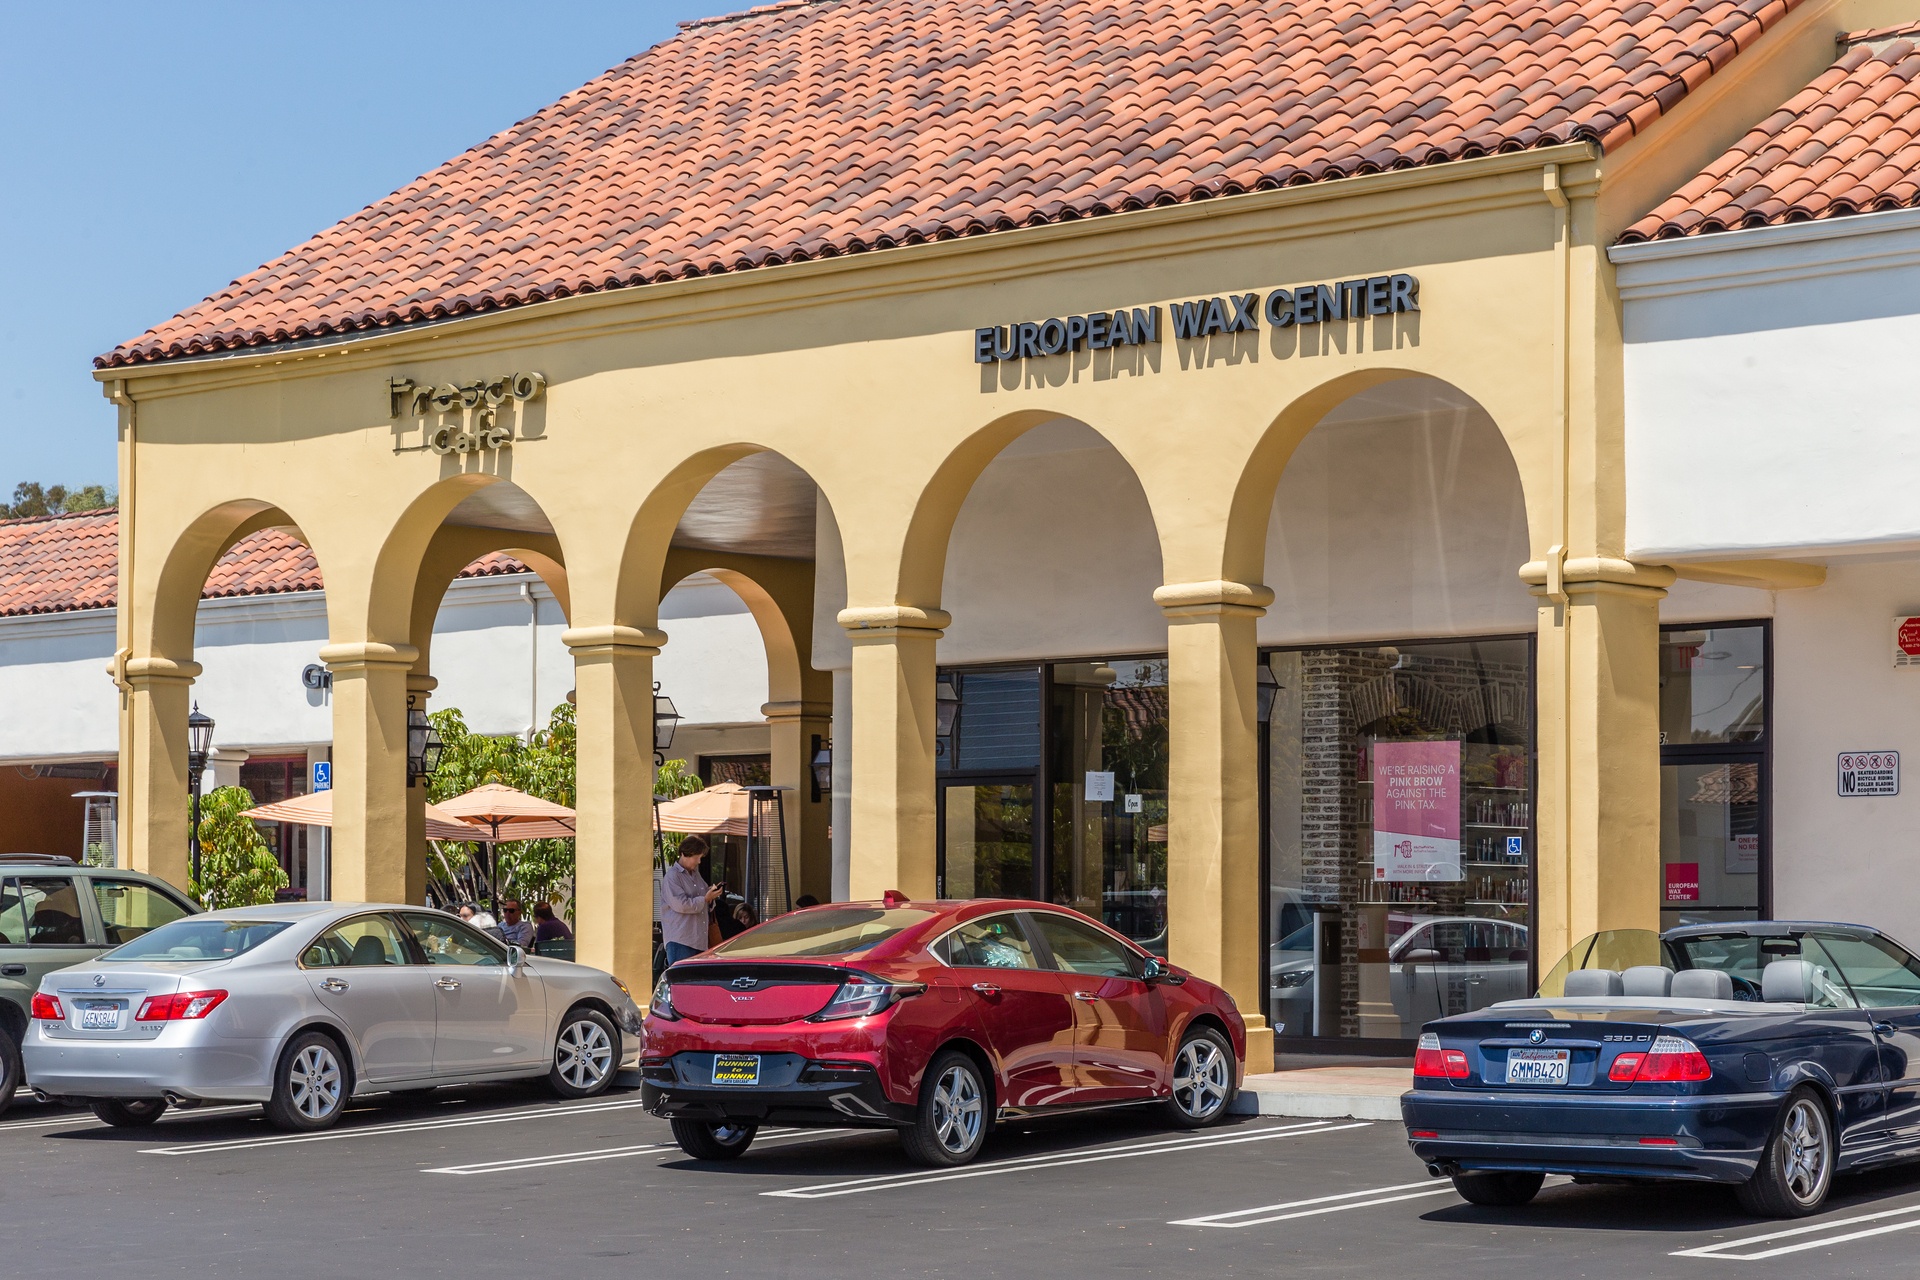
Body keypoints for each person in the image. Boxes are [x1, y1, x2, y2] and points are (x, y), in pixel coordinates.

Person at [660, 834, 723, 965]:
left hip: (699, 940)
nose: (699, 862)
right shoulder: (672, 877)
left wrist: (711, 898)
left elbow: (704, 897)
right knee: (682, 981)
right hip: (681, 940)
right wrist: (705, 899)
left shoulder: (696, 874)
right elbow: (681, 905)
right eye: (696, 858)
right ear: (684, 854)